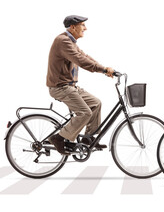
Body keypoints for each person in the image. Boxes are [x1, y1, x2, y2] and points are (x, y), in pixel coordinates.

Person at [46, 15, 114, 155]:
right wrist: (103, 70)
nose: (85, 28)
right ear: (72, 27)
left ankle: (87, 139)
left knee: (95, 103)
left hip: (70, 87)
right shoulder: (63, 41)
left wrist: (104, 69)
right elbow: (81, 61)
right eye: (82, 25)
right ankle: (58, 138)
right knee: (84, 113)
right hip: (60, 87)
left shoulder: (71, 42)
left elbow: (85, 57)